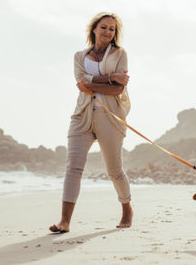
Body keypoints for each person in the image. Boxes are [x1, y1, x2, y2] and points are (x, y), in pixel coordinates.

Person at [49, 12, 133, 233]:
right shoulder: (79, 56)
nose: (107, 32)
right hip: (82, 115)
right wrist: (109, 77)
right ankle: (64, 221)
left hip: (110, 117)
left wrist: (94, 81)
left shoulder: (120, 54)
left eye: (112, 29)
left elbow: (118, 89)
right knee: (73, 168)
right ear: (94, 29)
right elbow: (80, 84)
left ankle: (126, 209)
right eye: (103, 27)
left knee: (114, 170)